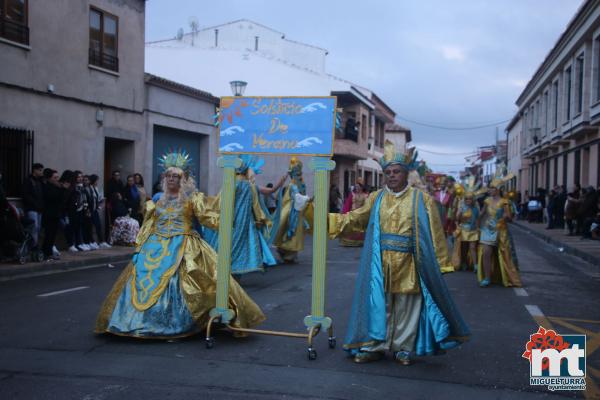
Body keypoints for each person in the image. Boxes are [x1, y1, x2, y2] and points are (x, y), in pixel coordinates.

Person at [95, 151, 265, 338]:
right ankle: (134, 321)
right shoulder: (157, 201)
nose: (171, 180)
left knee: (203, 279)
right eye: (168, 176)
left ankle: (198, 317)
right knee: (141, 282)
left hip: (184, 244)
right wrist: (139, 249)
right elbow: (148, 227)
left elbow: (209, 218)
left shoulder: (193, 199)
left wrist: (227, 216)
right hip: (154, 248)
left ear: (183, 179)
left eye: (176, 176)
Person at [328, 140, 469, 365]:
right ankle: (375, 345)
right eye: (388, 172)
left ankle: (403, 347)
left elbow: (435, 233)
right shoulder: (376, 198)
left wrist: (441, 263)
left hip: (410, 262)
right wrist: (325, 219)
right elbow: (356, 218)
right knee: (379, 304)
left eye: (396, 171)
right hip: (380, 262)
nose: (392, 175)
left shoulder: (421, 200)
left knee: (407, 306)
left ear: (405, 174)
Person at [203, 155, 282, 275]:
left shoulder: (230, 183)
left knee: (225, 244)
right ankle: (236, 271)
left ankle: (225, 271)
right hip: (245, 224)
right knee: (241, 247)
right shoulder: (250, 186)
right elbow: (256, 206)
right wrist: (262, 219)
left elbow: (219, 202)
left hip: (229, 221)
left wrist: (210, 213)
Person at [477, 170, 522, 288]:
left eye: (492, 188)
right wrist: (477, 225)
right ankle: (487, 277)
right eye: (489, 188)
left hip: (500, 230)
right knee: (486, 252)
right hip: (487, 229)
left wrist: (505, 217)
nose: (489, 190)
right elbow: (482, 214)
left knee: (505, 254)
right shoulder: (487, 201)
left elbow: (510, 218)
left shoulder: (504, 202)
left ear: (497, 189)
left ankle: (507, 277)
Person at [270, 157, 313, 264]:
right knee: (290, 231)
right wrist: (307, 199)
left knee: (295, 233)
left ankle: (290, 254)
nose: (300, 176)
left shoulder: (300, 184)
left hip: (298, 212)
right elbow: (296, 197)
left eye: (300, 174)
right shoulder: (293, 185)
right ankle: (286, 253)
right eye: (298, 174)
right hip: (292, 212)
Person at [451, 177, 482, 272]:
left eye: (470, 199)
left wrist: (478, 228)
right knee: (464, 248)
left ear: (473, 199)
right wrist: (459, 215)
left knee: (473, 247)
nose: (468, 200)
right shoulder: (462, 207)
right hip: (464, 229)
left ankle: (476, 265)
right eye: (467, 199)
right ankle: (464, 263)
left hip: (473, 230)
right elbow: (456, 218)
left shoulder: (476, 208)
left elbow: (478, 219)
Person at [42, 169, 68, 261]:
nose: (57, 179)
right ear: (49, 178)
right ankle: (47, 253)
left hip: (56, 214)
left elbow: (62, 199)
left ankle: (48, 252)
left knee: (53, 235)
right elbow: (53, 198)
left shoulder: (56, 187)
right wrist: (62, 189)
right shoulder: (47, 187)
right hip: (49, 214)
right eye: (55, 177)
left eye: (57, 177)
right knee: (49, 234)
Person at [339, 178, 369, 247]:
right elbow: (348, 204)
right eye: (356, 187)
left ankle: (360, 241)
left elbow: (368, 205)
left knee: (360, 228)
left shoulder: (366, 195)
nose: (357, 188)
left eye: (358, 187)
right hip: (352, 213)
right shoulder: (352, 194)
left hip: (361, 214)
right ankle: (349, 241)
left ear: (361, 187)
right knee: (351, 227)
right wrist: (345, 213)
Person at [22, 163, 45, 249]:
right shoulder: (28, 180)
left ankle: (35, 245)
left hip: (39, 209)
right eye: (40, 170)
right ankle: (32, 246)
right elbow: (26, 194)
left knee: (38, 228)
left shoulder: (39, 181)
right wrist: (34, 203)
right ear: (34, 170)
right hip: (31, 208)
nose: (41, 172)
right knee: (33, 228)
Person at [89, 174, 111, 248]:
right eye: (96, 180)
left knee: (98, 225)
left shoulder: (96, 188)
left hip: (96, 209)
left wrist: (101, 200)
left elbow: (98, 198)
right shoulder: (90, 188)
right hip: (91, 210)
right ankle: (91, 241)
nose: (97, 182)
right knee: (90, 226)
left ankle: (101, 241)